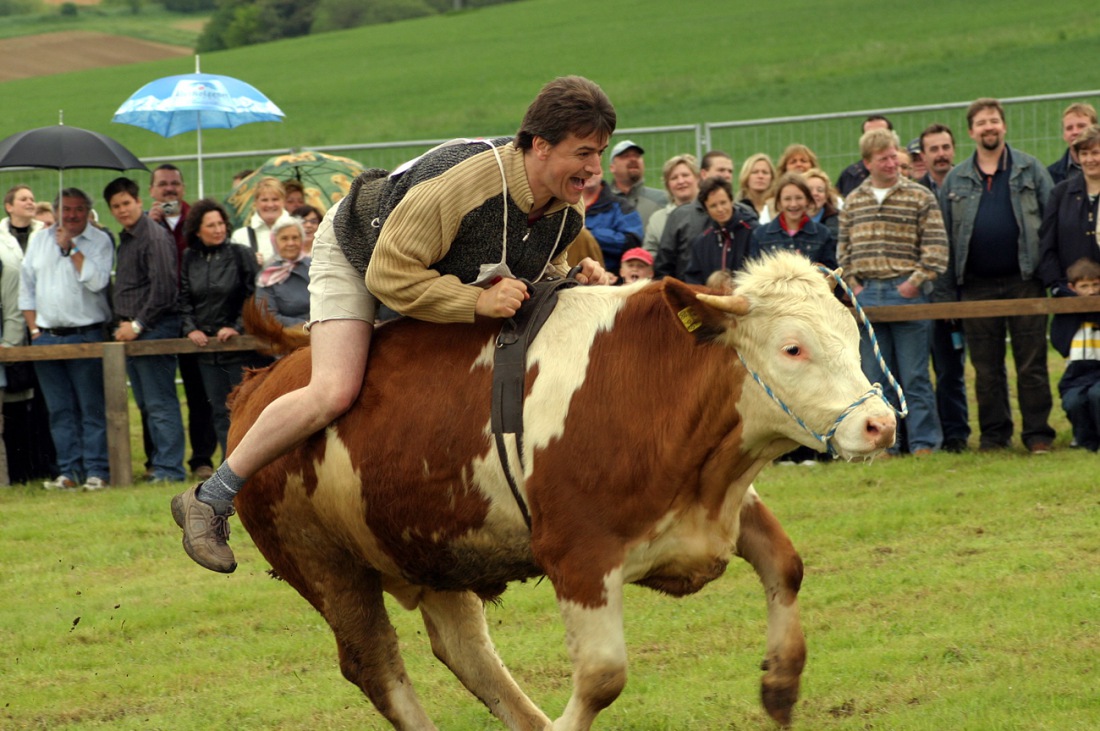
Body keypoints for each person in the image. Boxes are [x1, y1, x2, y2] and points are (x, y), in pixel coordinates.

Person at [172, 75, 615, 573]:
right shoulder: (464, 183)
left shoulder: (567, 208)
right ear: (540, 145)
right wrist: (475, 304)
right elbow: (388, 273)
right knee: (334, 390)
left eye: (599, 152)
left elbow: (535, 266)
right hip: (360, 253)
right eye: (583, 153)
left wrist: (573, 276)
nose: (594, 169)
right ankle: (211, 497)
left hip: (429, 270)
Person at [939, 97, 1056, 454]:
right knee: (986, 369)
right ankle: (994, 436)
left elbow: (1050, 225)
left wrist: (1051, 277)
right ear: (971, 131)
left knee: (1032, 364)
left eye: (994, 120)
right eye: (982, 122)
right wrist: (946, 296)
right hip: (975, 287)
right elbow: (943, 237)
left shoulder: (1030, 169)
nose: (989, 127)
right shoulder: (955, 179)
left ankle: (1037, 434)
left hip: (1025, 282)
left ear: (1004, 126)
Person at [838, 128, 948, 456]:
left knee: (915, 376)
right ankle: (885, 446)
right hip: (868, 295)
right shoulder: (854, 201)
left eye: (893, 156)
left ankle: (925, 443)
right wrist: (855, 284)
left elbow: (937, 247)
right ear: (867, 163)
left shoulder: (919, 196)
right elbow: (843, 248)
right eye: (883, 158)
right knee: (873, 379)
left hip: (908, 292)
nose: (891, 163)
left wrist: (915, 281)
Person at [19, 189, 113, 490]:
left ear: (88, 212)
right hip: (47, 338)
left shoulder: (99, 241)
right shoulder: (38, 241)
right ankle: (68, 472)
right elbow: (27, 288)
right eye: (67, 209)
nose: (72, 215)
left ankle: (97, 471)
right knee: (59, 410)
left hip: (86, 335)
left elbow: (98, 282)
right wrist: (35, 331)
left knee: (91, 407)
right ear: (57, 211)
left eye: (79, 209)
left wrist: (72, 249)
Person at [103, 177, 187, 484]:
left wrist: (137, 325)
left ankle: (170, 470)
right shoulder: (126, 238)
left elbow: (165, 289)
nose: (122, 210)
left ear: (139, 202)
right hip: (132, 329)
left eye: (127, 203)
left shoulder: (153, 236)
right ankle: (160, 465)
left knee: (160, 402)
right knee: (146, 402)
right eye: (116, 206)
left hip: (154, 327)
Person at [178, 199, 269, 457]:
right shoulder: (190, 257)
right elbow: (184, 298)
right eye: (211, 225)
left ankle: (251, 463)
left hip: (240, 349)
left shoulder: (240, 254)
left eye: (220, 223)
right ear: (197, 230)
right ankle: (227, 465)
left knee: (244, 407)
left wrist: (236, 327)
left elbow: (256, 296)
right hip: (208, 349)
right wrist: (190, 328)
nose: (218, 229)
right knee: (219, 409)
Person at [147, 164, 217, 481]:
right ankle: (156, 458)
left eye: (175, 183)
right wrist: (149, 226)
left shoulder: (196, 222)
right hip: (156, 316)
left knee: (199, 391)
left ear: (183, 188)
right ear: (152, 191)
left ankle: (202, 457)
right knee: (156, 394)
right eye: (163, 184)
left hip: (195, 318)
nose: (169, 189)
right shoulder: (145, 225)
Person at [918, 123, 970, 452]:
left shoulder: (965, 189)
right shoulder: (915, 194)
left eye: (945, 147)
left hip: (961, 293)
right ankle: (922, 437)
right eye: (933, 149)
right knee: (918, 373)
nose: (941, 154)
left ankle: (956, 434)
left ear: (954, 149)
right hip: (922, 297)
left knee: (952, 370)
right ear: (923, 156)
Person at [654, 150, 752, 280]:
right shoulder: (680, 216)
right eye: (721, 170)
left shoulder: (745, 215)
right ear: (703, 174)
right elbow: (665, 265)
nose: (727, 175)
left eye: (730, 171)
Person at [1050, 258, 1100, 451]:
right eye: (1085, 286)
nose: (1091, 291)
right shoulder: (1066, 312)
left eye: (1096, 284)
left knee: (1097, 396)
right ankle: (1084, 441)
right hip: (1077, 371)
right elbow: (1060, 343)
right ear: (1072, 287)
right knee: (1073, 402)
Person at [751, 173, 835, 268]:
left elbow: (831, 275)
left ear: (807, 199)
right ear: (779, 202)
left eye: (799, 198)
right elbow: (754, 274)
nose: (793, 204)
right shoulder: (760, 235)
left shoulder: (823, 234)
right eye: (787, 199)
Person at [684, 177, 757, 285]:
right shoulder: (701, 243)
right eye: (713, 206)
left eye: (723, 203)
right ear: (706, 209)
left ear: (731, 201)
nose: (720, 209)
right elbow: (693, 281)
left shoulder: (753, 232)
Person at [581, 170, 643, 276]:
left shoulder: (621, 206)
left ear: (601, 171)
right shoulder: (563, 204)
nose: (590, 173)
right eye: (584, 169)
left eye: (594, 169)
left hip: (611, 277)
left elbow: (632, 242)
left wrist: (588, 234)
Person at [256, 218, 311, 327]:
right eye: (284, 239)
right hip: (288, 336)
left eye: (295, 238)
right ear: (275, 242)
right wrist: (306, 325)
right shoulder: (266, 277)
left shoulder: (315, 267)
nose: (290, 243)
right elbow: (267, 316)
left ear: (302, 240)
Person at [230, 176, 295, 264]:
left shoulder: (300, 230)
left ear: (283, 201)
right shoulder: (240, 237)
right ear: (255, 203)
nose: (270, 205)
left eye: (275, 199)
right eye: (264, 200)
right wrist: (249, 263)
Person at [643, 154, 699, 252]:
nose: (681, 181)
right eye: (674, 178)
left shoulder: (710, 212)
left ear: (697, 179)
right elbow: (649, 252)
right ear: (668, 185)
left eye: (685, 175)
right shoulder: (657, 220)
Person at [607, 139, 667, 228]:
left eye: (637, 156)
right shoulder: (601, 201)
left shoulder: (661, 199)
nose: (633, 159)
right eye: (625, 156)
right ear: (612, 168)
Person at [836, 115, 893, 196]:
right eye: (870, 135)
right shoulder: (850, 174)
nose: (876, 139)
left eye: (881, 134)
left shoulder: (904, 166)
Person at [1048, 102, 1098, 185]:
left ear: (1095, 130)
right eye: (1069, 128)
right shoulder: (1050, 174)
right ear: (1064, 135)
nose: (1075, 132)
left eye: (1081, 126)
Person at [736, 153, 776, 221]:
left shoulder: (778, 207)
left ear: (771, 178)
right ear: (746, 176)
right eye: (755, 172)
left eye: (765, 172)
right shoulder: (737, 208)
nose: (760, 176)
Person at [802, 167, 840, 239]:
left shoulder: (839, 218)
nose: (814, 193)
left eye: (820, 190)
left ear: (826, 196)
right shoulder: (791, 218)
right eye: (809, 190)